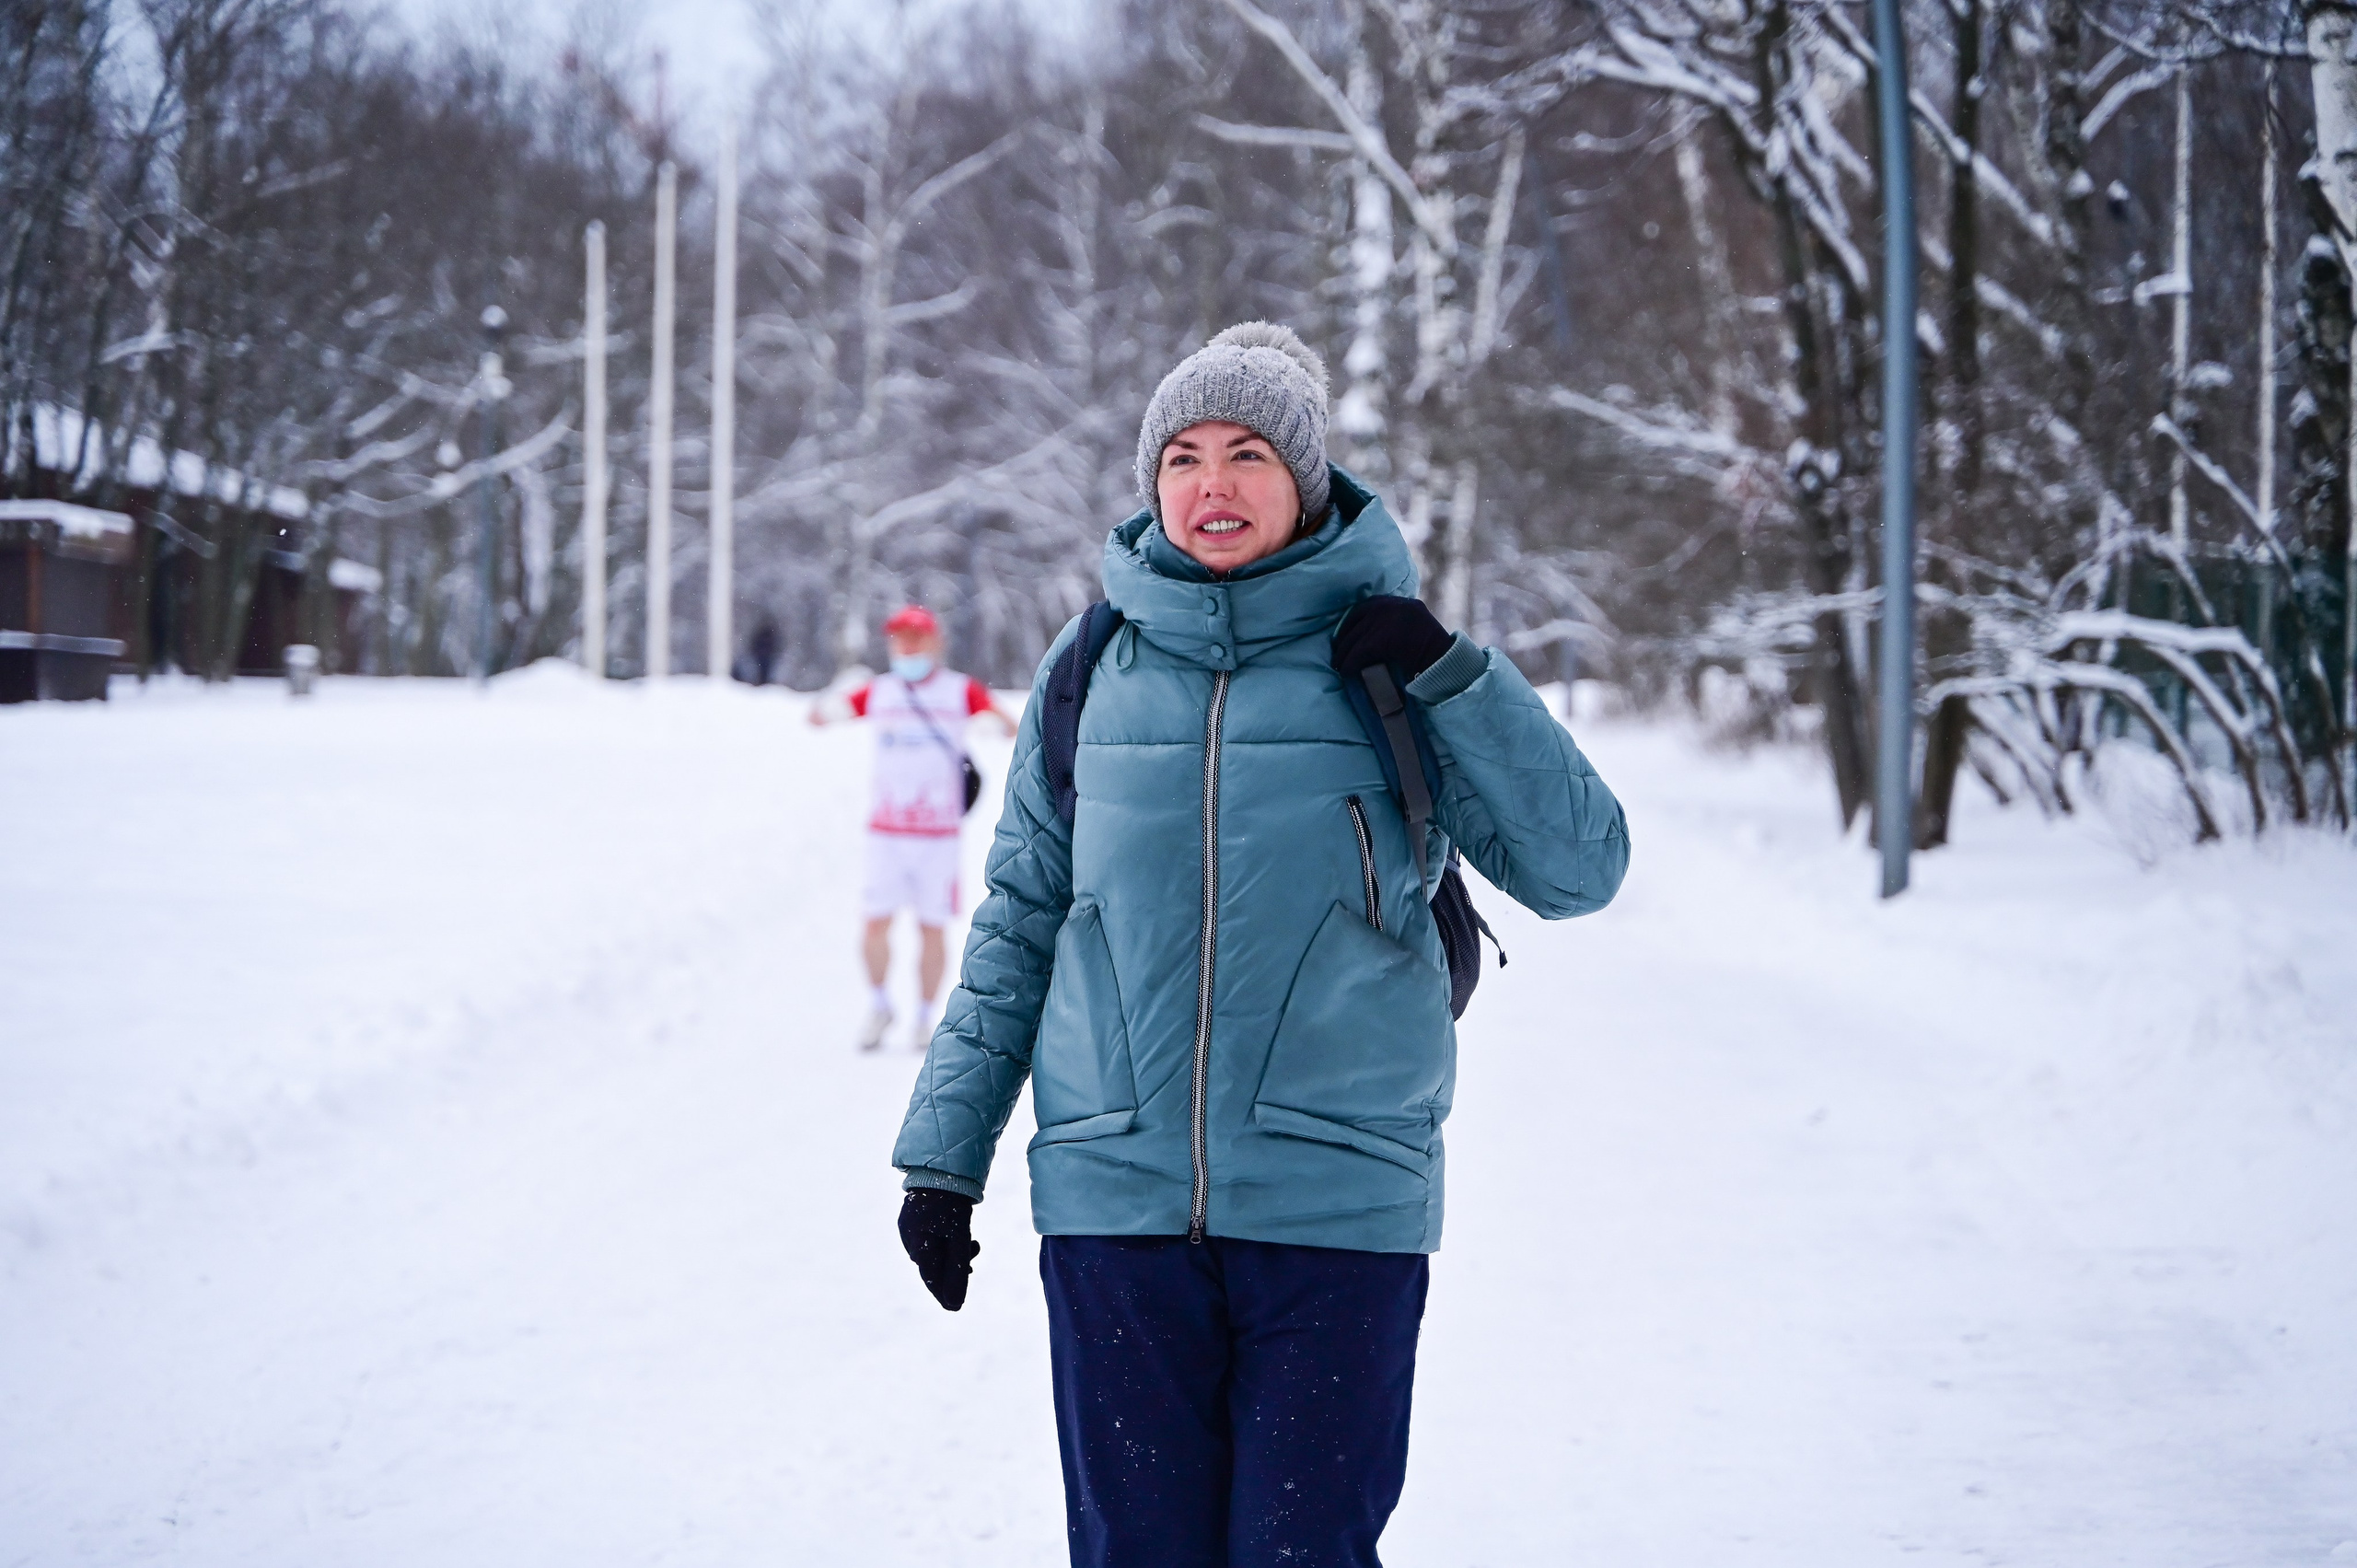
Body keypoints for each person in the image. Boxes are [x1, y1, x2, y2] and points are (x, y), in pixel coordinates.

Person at [890, 322, 1630, 1567]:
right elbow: (1020, 919)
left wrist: (1455, 676)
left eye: (1247, 454)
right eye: (1182, 455)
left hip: (1337, 1207)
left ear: (1307, 479)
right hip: (1116, 1208)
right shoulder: (1089, 669)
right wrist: (942, 1156)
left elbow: (1580, 868)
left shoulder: (1390, 660)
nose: (1212, 483)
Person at [810, 604, 1017, 1051]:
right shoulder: (879, 692)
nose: (908, 646)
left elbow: (1010, 725)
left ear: (935, 642)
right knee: (874, 924)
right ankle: (880, 1004)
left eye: (916, 638)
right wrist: (830, 704)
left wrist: (989, 725)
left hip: (937, 836)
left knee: (931, 928)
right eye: (900, 638)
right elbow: (823, 715)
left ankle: (924, 1017)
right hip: (886, 833)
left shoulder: (960, 691)